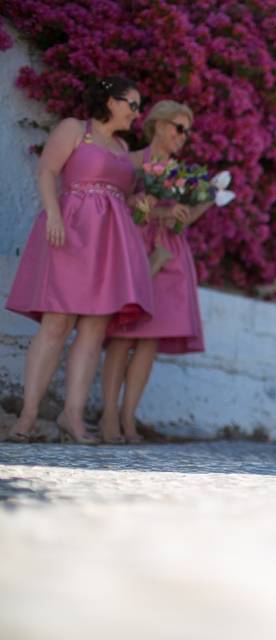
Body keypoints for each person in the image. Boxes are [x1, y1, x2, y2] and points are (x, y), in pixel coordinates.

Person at [4, 76, 154, 444]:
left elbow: (121, 195)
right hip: (70, 232)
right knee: (57, 322)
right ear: (110, 100)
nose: (137, 113)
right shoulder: (76, 129)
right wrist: (53, 214)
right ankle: (27, 417)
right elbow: (47, 171)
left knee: (93, 328)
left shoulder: (122, 147)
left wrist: (138, 204)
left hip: (110, 243)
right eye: (132, 104)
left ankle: (72, 417)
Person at [100, 100, 207, 444]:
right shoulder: (130, 162)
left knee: (149, 340)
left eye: (187, 131)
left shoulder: (183, 173)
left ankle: (129, 419)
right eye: (179, 128)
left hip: (169, 255)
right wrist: (152, 211)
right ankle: (108, 418)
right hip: (133, 249)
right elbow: (116, 207)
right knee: (122, 335)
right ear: (158, 125)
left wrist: (198, 205)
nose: (183, 136)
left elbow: (185, 218)